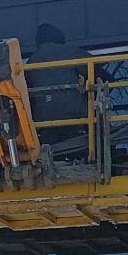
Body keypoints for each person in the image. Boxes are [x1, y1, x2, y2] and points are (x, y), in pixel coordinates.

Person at [27, 23, 89, 160]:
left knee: (52, 158)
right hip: (71, 114)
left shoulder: (31, 60)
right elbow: (95, 64)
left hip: (44, 119)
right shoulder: (69, 51)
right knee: (79, 156)